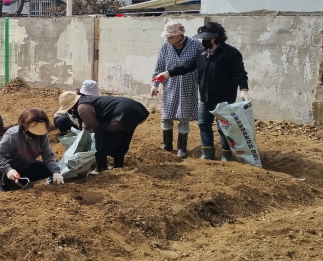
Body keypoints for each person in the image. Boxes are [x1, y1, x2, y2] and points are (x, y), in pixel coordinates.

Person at [153, 22, 249, 161]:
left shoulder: (231, 53)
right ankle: (207, 153)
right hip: (205, 97)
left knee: (223, 127)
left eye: (206, 38)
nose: (203, 41)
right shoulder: (202, 53)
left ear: (214, 38)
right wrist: (168, 73)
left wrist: (244, 89)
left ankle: (226, 154)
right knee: (203, 124)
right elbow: (187, 66)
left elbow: (239, 73)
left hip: (224, 97)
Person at [68, 80, 149, 174]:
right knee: (121, 137)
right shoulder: (90, 101)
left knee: (101, 137)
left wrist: (91, 137)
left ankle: (101, 167)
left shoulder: (82, 107)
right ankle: (118, 165)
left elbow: (96, 126)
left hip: (123, 113)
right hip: (136, 110)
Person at [150, 21, 203, 158]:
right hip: (170, 85)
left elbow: (201, 66)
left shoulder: (196, 45)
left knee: (184, 117)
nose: (167, 39)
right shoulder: (165, 47)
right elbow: (160, 66)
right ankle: (167, 144)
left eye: (170, 37)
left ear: (179, 35)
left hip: (188, 85)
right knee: (167, 115)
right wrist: (155, 84)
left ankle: (182, 148)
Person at [0, 108, 64, 192]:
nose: (35, 135)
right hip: (7, 168)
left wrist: (55, 172)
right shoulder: (13, 135)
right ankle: (4, 188)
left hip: (26, 165)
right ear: (24, 127)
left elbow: (48, 155)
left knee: (49, 169)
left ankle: (20, 181)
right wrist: (8, 170)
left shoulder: (42, 135)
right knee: (14, 163)